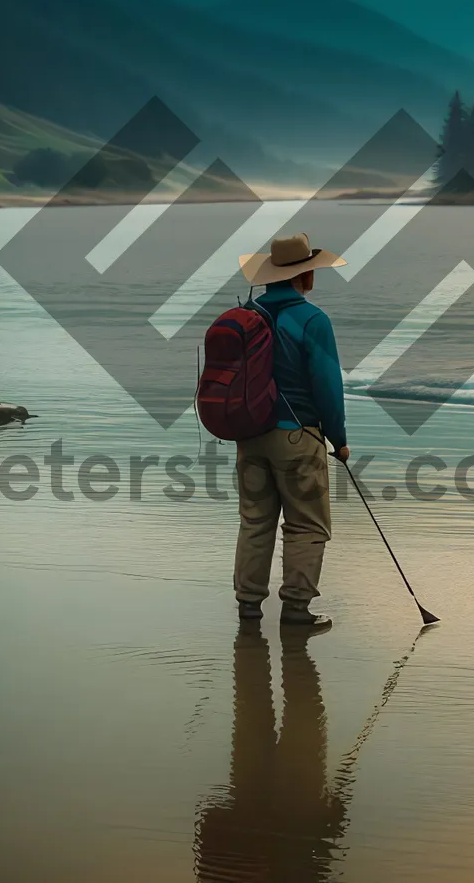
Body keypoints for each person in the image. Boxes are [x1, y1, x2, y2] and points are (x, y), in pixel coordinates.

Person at [233, 232, 348, 629]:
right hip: (298, 436)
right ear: (307, 276)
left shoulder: (247, 317)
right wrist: (340, 440)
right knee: (307, 524)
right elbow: (328, 385)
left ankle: (249, 607)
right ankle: (296, 610)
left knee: (255, 521)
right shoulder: (313, 319)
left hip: (249, 435)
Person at [193, 626, 347, 881]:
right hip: (285, 824)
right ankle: (295, 610)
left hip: (246, 835)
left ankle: (250, 606)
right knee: (293, 713)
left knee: (257, 714)